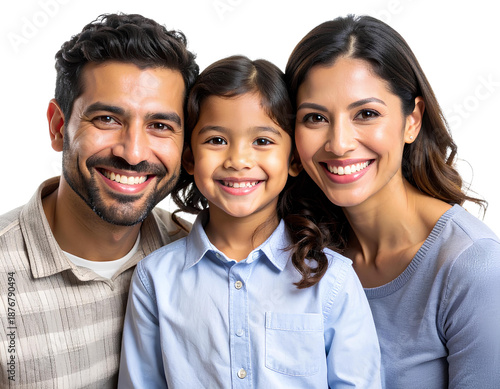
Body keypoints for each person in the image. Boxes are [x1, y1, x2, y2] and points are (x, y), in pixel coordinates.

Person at [118, 55, 382, 388]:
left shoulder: (333, 279)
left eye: (262, 141)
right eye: (216, 140)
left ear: (294, 160)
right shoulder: (155, 279)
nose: (239, 160)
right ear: (189, 157)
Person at [285, 14, 500, 388]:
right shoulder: (299, 247)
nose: (339, 143)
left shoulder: (474, 268)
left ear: (412, 119)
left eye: (366, 114)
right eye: (315, 117)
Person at [0, 13, 198, 388]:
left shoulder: (194, 253)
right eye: (107, 118)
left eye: (159, 126)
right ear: (59, 127)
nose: (133, 152)